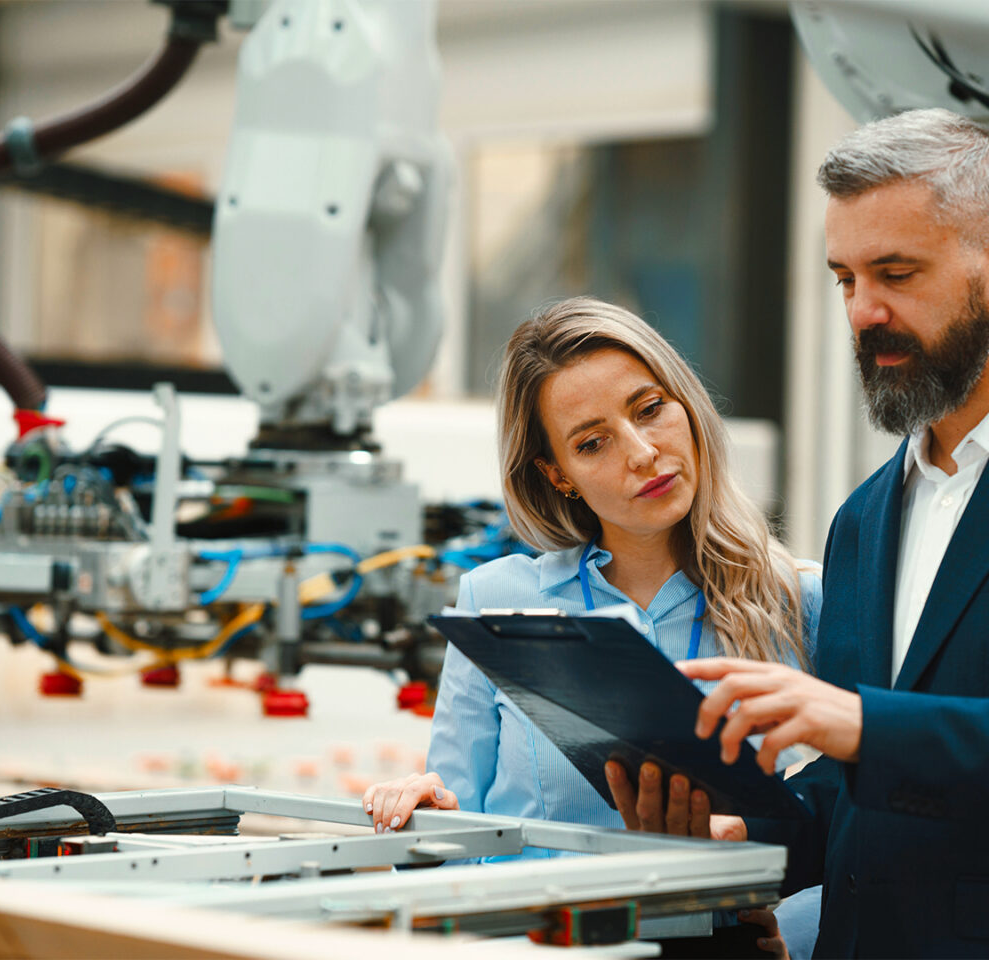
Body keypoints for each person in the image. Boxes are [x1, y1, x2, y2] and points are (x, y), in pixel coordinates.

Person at [364, 297, 822, 957]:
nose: (643, 453)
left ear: (686, 406)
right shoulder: (496, 602)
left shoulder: (796, 601)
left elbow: (865, 830)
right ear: (558, 474)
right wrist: (418, 820)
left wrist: (794, 939)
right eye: (592, 442)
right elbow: (453, 853)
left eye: (649, 409)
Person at [676, 108, 989, 958]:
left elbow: (867, 734)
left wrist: (856, 724)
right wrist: (746, 838)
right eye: (845, 279)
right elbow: (864, 789)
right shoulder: (864, 519)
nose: (862, 312)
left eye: (895, 272)